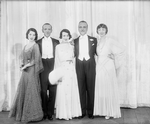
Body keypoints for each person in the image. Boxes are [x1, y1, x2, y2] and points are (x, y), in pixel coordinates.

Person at [8, 28, 43, 122]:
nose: (32, 36)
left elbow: (36, 60)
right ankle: (24, 113)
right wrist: (21, 65)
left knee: (31, 91)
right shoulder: (26, 45)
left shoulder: (35, 46)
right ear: (27, 35)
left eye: (34, 35)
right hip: (25, 71)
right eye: (30, 34)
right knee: (24, 89)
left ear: (36, 36)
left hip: (31, 71)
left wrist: (25, 66)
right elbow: (23, 58)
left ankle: (32, 115)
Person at [94, 23, 126, 119]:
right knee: (101, 87)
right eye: (100, 29)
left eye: (103, 29)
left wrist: (114, 56)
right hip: (99, 65)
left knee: (108, 87)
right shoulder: (97, 41)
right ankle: (101, 110)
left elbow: (122, 49)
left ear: (106, 31)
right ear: (97, 31)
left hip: (108, 65)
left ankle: (109, 111)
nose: (101, 31)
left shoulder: (110, 40)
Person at [49, 29, 82, 120]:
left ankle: (73, 113)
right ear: (61, 37)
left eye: (67, 35)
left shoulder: (72, 46)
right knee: (63, 90)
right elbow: (57, 61)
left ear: (69, 36)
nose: (66, 37)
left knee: (71, 89)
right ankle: (64, 114)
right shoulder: (58, 47)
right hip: (62, 69)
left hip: (71, 69)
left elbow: (74, 59)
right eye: (64, 36)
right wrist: (57, 75)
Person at [74, 21, 97, 119]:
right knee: (80, 88)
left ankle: (91, 111)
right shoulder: (74, 41)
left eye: (84, 27)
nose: (82, 29)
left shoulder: (94, 39)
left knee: (91, 88)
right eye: (80, 27)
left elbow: (99, 52)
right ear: (78, 28)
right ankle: (82, 111)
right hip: (79, 64)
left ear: (87, 28)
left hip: (90, 64)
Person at [36, 23, 59, 120]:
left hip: (53, 64)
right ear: (42, 30)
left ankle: (50, 113)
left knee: (53, 90)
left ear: (51, 30)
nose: (47, 31)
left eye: (49, 29)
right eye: (45, 29)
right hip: (43, 65)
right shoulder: (38, 42)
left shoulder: (56, 41)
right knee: (43, 91)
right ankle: (44, 112)